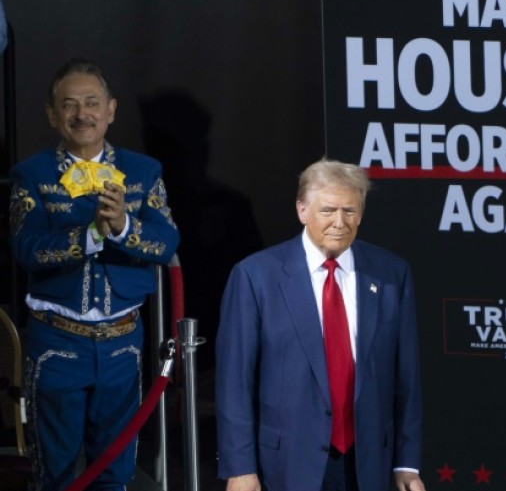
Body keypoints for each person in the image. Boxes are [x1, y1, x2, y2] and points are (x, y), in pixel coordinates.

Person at [8, 58, 180, 490]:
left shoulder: (145, 172)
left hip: (123, 345)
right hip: (56, 345)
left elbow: (167, 244)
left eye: (91, 103)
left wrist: (123, 228)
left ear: (111, 110)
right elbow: (26, 250)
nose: (81, 114)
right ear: (52, 114)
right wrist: (87, 236)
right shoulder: (32, 174)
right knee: (56, 475)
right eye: (69, 105)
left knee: (115, 473)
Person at [216, 159, 425, 491]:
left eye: (350, 211)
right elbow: (234, 383)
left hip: (368, 462)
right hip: (286, 464)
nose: (340, 222)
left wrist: (407, 463)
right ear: (302, 210)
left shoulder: (390, 274)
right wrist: (240, 467)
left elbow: (407, 379)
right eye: (328, 210)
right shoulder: (256, 276)